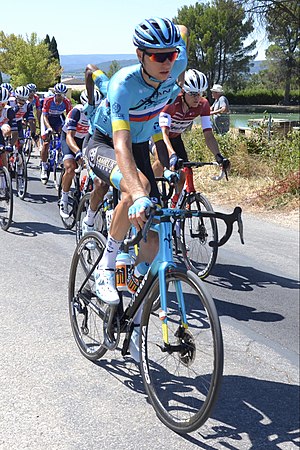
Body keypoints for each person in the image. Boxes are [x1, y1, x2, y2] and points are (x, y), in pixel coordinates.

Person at [85, 17, 189, 312]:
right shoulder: (123, 86)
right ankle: (106, 269)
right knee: (137, 189)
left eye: (172, 54)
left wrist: (179, 33)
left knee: (153, 238)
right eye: (158, 56)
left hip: (141, 145)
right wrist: (139, 193)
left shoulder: (176, 64)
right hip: (105, 143)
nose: (167, 62)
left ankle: (136, 282)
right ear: (140, 55)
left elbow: (183, 33)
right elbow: (121, 145)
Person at [152, 69, 230, 203]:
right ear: (183, 92)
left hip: (175, 137)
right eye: (193, 94)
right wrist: (172, 155)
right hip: (156, 136)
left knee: (183, 174)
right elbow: (163, 133)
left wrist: (218, 156)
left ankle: (175, 207)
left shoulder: (203, 105)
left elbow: (208, 134)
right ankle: (148, 190)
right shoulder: (171, 102)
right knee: (161, 161)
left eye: (200, 94)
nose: (197, 98)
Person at [58, 88, 103, 219]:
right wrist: (77, 152)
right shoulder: (77, 112)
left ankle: (86, 191)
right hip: (70, 138)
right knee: (70, 168)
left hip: (86, 139)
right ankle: (64, 199)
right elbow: (69, 137)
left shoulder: (99, 113)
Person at [40, 82, 72, 183]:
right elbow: (44, 116)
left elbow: (68, 117)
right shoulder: (48, 100)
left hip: (58, 119)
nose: (60, 97)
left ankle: (60, 154)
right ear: (55, 94)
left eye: (62, 95)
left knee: (64, 135)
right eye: (58, 95)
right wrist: (49, 128)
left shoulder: (67, 102)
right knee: (46, 141)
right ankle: (44, 166)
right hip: (47, 118)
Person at [0, 87, 16, 196]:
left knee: (3, 152)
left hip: (1, 132)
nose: (0, 107)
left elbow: (14, 130)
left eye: (2, 104)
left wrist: (11, 145)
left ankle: (5, 182)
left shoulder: (9, 110)